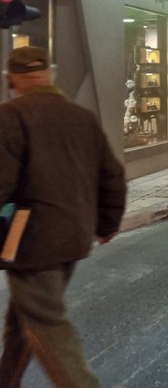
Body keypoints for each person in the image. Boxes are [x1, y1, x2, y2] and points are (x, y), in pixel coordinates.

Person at [0, 46, 127, 387]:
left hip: (31, 239)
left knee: (46, 322)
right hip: (74, 235)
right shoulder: (81, 117)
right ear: (49, 75)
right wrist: (108, 224)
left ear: (12, 80)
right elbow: (112, 175)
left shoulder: (10, 116)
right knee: (24, 319)